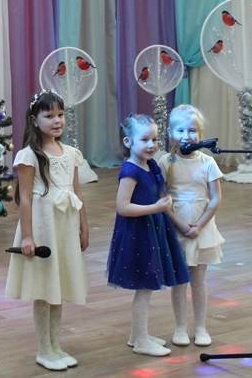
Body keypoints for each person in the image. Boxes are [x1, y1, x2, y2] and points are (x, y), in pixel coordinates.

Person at [4, 91, 89, 371]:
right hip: (44, 226)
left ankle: (55, 345)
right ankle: (44, 349)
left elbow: (77, 193)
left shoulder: (71, 153)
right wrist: (28, 236)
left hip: (65, 226)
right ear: (35, 120)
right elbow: (25, 198)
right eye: (49, 115)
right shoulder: (29, 156)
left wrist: (83, 226)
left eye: (60, 115)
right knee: (44, 288)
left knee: (58, 285)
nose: (57, 120)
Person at [106, 114, 189, 357]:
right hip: (137, 234)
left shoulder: (151, 165)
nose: (152, 144)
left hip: (151, 228)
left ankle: (137, 335)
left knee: (147, 287)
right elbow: (122, 207)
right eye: (145, 139)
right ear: (128, 141)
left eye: (154, 139)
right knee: (144, 288)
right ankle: (141, 341)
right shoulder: (130, 171)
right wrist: (156, 207)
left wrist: (163, 202)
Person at [159, 104, 224, 348]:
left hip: (202, 225)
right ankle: (179, 327)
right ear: (170, 133)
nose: (186, 136)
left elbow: (215, 198)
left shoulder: (208, 162)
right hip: (177, 225)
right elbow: (162, 198)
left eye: (192, 130)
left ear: (201, 133)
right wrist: (180, 225)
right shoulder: (166, 162)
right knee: (179, 281)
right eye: (180, 130)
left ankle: (200, 327)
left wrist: (198, 226)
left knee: (199, 280)